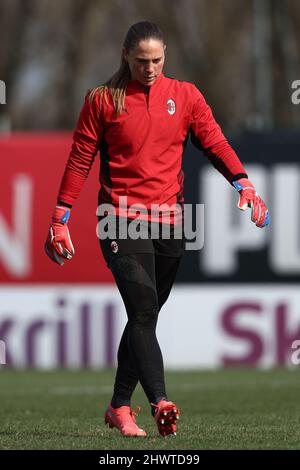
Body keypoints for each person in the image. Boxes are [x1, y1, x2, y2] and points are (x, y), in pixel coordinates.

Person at [45, 21, 269, 438]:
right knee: (144, 307)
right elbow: (79, 160)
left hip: (171, 221)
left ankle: (118, 407)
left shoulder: (185, 96)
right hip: (119, 216)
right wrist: (60, 216)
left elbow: (215, 142)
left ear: (165, 56)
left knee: (144, 318)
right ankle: (160, 401)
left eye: (157, 60)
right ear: (126, 56)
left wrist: (243, 182)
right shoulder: (102, 100)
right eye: (142, 60)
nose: (150, 68)